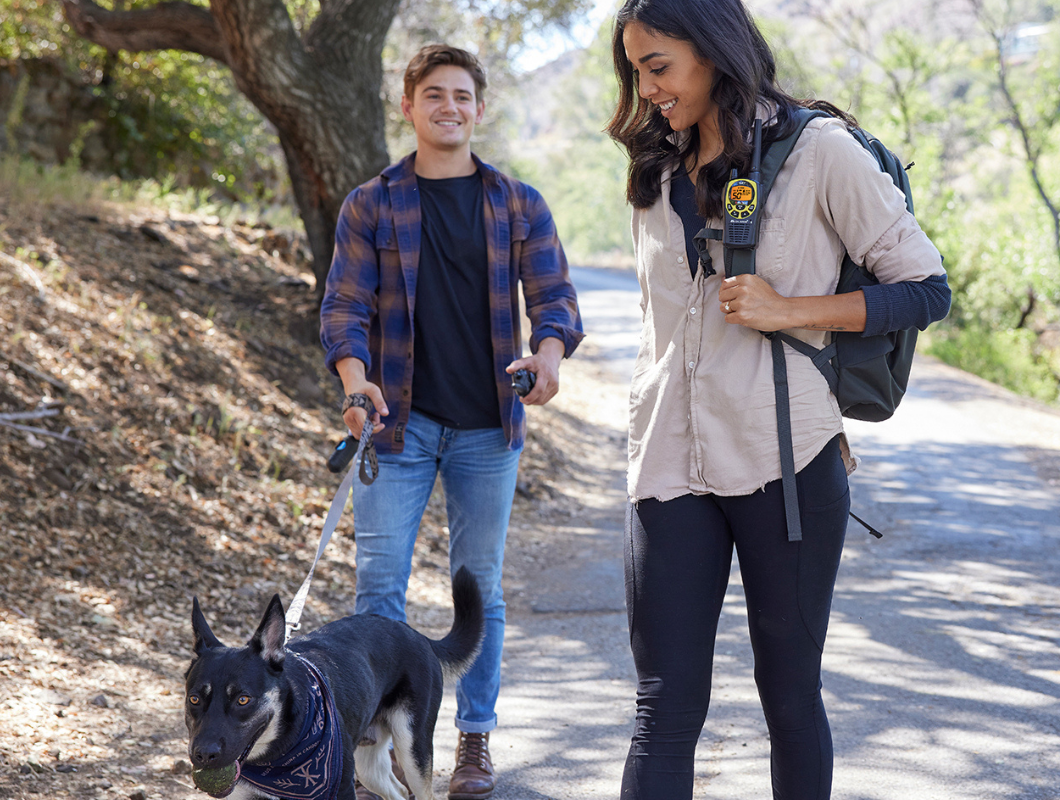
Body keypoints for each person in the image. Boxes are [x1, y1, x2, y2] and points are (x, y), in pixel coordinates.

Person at [605, 1, 951, 798]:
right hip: (667, 462)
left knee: (789, 698)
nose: (647, 88)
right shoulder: (654, 167)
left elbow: (927, 289)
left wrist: (791, 311)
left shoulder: (818, 152)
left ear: (716, 49)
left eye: (659, 65)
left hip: (785, 462)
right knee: (662, 704)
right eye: (636, 70)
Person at [320, 43, 584, 800]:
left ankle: (472, 742)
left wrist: (551, 356)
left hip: (487, 429)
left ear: (478, 107)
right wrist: (355, 380)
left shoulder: (518, 203)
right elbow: (344, 308)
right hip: (396, 429)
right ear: (409, 107)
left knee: (482, 591)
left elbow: (555, 298)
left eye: (462, 95)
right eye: (433, 94)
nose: (449, 107)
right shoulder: (372, 203)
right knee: (379, 591)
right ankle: (372, 755)